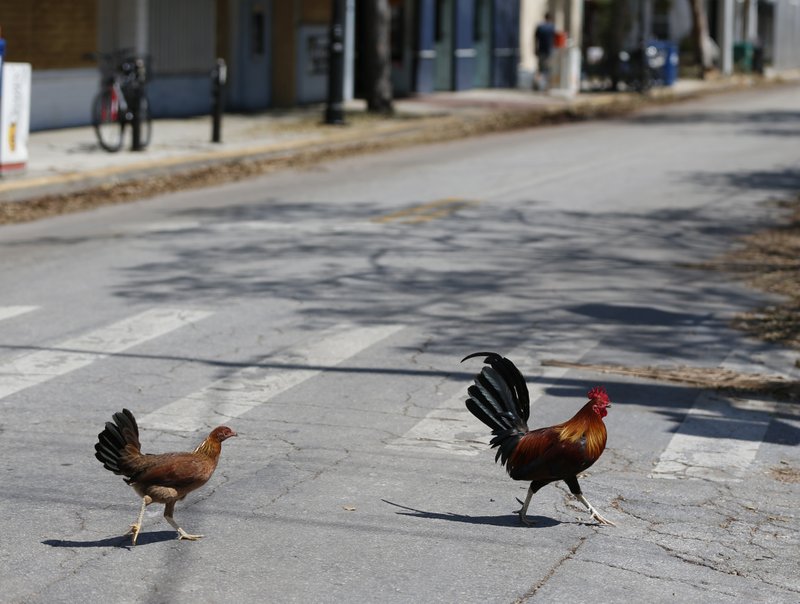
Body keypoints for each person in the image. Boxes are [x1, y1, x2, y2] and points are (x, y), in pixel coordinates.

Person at [534, 12, 556, 90]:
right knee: (548, 69)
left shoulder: (540, 27)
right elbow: (555, 40)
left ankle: (537, 84)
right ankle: (547, 86)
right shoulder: (552, 28)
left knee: (540, 68)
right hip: (549, 51)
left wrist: (535, 49)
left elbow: (536, 39)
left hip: (541, 50)